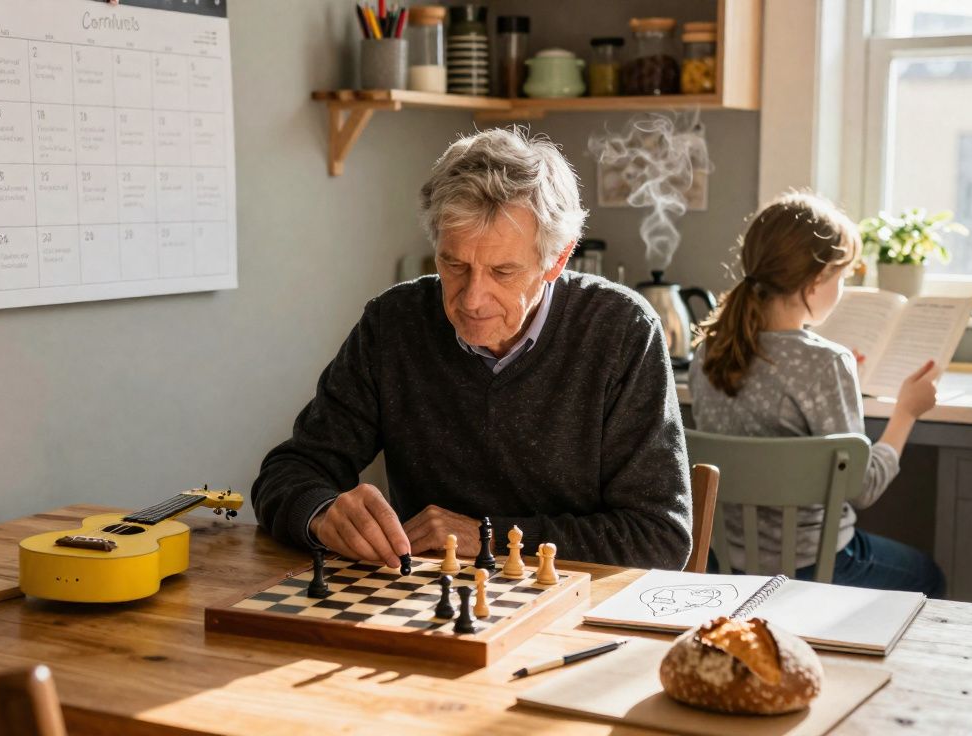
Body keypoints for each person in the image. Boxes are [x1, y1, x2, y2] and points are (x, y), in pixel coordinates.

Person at [251, 128, 692, 569]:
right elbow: (289, 471)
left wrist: (487, 536)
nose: (471, 298)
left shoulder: (623, 332)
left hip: (572, 614)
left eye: (502, 271)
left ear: (556, 260)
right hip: (426, 609)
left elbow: (658, 537)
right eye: (454, 264)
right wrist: (323, 514)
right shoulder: (393, 324)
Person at [690, 191, 945, 597]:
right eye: (841, 277)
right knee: (927, 575)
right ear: (814, 283)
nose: (842, 289)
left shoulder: (708, 351)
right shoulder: (826, 363)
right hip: (814, 568)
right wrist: (906, 413)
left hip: (729, 567)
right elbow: (864, 487)